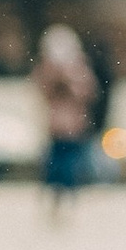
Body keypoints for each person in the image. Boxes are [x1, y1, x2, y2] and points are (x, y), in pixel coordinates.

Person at [34, 22, 96, 214]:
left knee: (70, 166)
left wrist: (70, 79)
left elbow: (88, 92)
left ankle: (68, 196)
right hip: (56, 128)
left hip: (74, 128)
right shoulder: (47, 69)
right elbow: (41, 90)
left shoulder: (79, 68)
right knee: (54, 165)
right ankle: (54, 197)